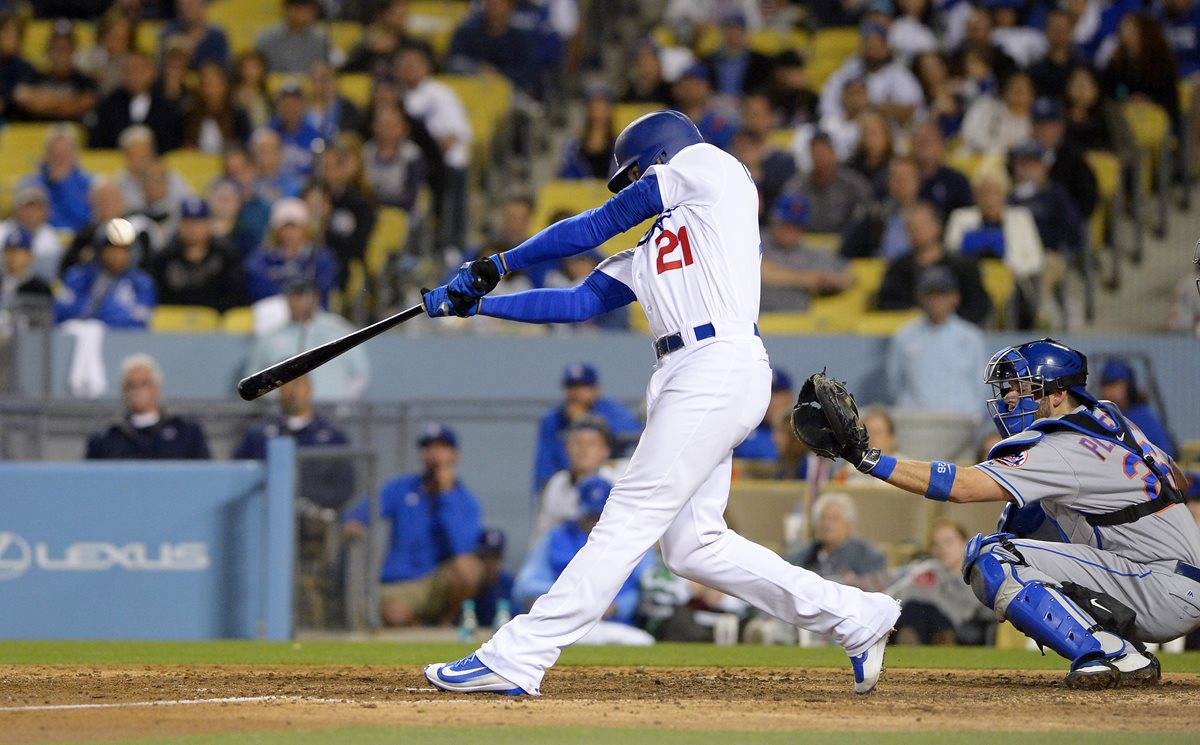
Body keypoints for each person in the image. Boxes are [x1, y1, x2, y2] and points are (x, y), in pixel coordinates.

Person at [420, 109, 901, 696]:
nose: (633, 188)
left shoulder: (709, 167)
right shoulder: (664, 242)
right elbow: (577, 303)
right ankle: (857, 616)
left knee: (626, 516)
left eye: (635, 175)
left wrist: (498, 264)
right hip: (685, 373)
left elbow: (599, 222)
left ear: (658, 154)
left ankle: (519, 654)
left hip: (716, 360)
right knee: (695, 547)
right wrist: (480, 305)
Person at [814, 338, 1198, 688]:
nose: (1011, 397)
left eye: (1023, 387)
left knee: (992, 557)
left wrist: (866, 460)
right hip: (1166, 577)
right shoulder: (1110, 421)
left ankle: (1110, 652)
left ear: (1059, 393)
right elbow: (1178, 481)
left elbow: (960, 488)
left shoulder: (1064, 445)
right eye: (1010, 388)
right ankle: (1125, 652)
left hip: (1161, 589)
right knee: (1017, 526)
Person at [341, 423, 483, 627]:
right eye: (428, 447)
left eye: (441, 447)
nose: (434, 453)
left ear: (454, 455)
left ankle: (448, 622)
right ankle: (418, 627)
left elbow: (461, 547)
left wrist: (445, 495)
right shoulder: (402, 488)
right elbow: (363, 511)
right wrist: (354, 522)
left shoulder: (465, 500)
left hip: (438, 583)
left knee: (469, 567)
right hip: (402, 583)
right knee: (393, 613)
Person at [514, 475, 656, 645]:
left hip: (614, 626)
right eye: (590, 515)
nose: (594, 521)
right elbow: (524, 586)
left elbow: (648, 586)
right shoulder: (557, 537)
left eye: (599, 515)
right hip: (565, 623)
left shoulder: (629, 538)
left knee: (643, 642)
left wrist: (617, 605)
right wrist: (573, 597)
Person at [232, 374, 354, 510]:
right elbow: (237, 476)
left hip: (316, 519)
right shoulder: (258, 434)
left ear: (309, 388)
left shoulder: (332, 437)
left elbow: (344, 487)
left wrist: (309, 503)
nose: (292, 391)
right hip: (266, 513)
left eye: (298, 384)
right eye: (286, 385)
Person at [885, 266, 988, 421]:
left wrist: (973, 418)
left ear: (955, 297)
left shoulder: (971, 338)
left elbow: (982, 386)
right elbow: (893, 385)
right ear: (920, 297)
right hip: (915, 423)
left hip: (960, 423)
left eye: (942, 294)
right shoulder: (904, 336)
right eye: (930, 294)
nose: (936, 301)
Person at [244, 277, 370, 401]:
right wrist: (277, 403)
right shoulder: (270, 337)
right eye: (294, 296)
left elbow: (360, 373)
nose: (299, 302)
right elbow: (254, 379)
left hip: (332, 411)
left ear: (316, 297)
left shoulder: (339, 330)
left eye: (304, 295)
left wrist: (341, 401)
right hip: (282, 414)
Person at [876, 201, 991, 325]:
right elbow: (886, 303)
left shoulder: (963, 266)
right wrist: (914, 314)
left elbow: (979, 306)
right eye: (911, 228)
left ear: (937, 226)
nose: (916, 232)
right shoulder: (898, 268)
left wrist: (947, 319)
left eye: (922, 226)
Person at [532, 362, 641, 493]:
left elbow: (637, 438)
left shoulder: (613, 412)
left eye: (582, 387)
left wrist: (586, 420)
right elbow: (544, 466)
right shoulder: (553, 419)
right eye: (571, 387)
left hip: (609, 484)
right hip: (567, 486)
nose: (575, 393)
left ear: (595, 390)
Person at [887, 519, 993, 644]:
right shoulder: (928, 570)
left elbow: (990, 611)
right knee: (914, 608)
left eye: (949, 542)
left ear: (965, 544)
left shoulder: (978, 576)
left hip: (954, 626)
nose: (942, 548)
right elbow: (896, 594)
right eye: (936, 544)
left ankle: (940, 640)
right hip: (917, 623)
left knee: (921, 611)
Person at [85, 353, 210, 459]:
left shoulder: (186, 431)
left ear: (156, 388)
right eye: (131, 385)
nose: (137, 391)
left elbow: (205, 474)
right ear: (123, 390)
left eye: (144, 384)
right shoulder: (107, 436)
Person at [532, 415, 622, 547]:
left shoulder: (617, 483)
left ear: (606, 450)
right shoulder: (556, 484)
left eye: (591, 443)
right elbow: (543, 536)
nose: (583, 449)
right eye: (577, 442)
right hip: (564, 556)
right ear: (566, 448)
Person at [54, 219, 156, 329]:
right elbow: (60, 311)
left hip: (121, 341)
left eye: (123, 250)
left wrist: (103, 324)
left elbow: (140, 321)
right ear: (100, 250)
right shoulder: (77, 276)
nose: (117, 255)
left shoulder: (142, 283)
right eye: (112, 249)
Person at [147, 197, 245, 311]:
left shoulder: (225, 256)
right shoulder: (164, 259)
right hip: (173, 324)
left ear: (208, 224)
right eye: (188, 223)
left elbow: (236, 297)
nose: (192, 229)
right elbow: (157, 299)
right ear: (180, 226)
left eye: (198, 223)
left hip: (216, 324)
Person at [760, 194, 851, 310]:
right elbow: (754, 271)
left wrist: (832, 281)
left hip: (798, 322)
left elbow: (848, 276)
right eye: (786, 226)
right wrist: (804, 278)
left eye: (796, 227)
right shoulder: (756, 240)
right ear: (773, 221)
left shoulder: (811, 254)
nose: (790, 232)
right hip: (758, 320)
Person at [784, 492, 888, 592]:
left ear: (848, 525)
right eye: (822, 518)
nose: (827, 524)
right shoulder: (803, 554)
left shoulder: (868, 555)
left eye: (835, 518)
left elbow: (872, 594)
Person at [244, 198, 340, 306]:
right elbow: (257, 288)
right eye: (285, 227)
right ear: (276, 230)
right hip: (273, 309)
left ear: (305, 228)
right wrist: (290, 299)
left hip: (311, 309)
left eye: (295, 227)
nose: (290, 233)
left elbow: (324, 288)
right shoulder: (261, 258)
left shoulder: (321, 257)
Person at [89, 50, 182, 153]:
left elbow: (173, 146)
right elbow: (98, 144)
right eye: (130, 71)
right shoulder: (108, 105)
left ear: (152, 73)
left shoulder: (166, 108)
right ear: (122, 75)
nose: (135, 76)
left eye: (140, 70)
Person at [785, 133, 873, 234]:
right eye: (816, 153)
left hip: (846, 242)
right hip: (805, 242)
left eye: (824, 152)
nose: (820, 157)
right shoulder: (797, 184)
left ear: (834, 153)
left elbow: (866, 213)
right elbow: (783, 213)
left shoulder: (854, 184)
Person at [10, 20, 97, 122]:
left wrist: (42, 100)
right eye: (56, 48)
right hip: (36, 135)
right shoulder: (35, 76)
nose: (60, 54)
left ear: (74, 51)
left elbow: (84, 104)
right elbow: (20, 96)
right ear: (48, 51)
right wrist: (69, 101)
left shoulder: (84, 80)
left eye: (65, 48)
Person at [20, 124, 92, 233]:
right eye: (55, 154)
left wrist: (64, 184)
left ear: (75, 155)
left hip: (80, 240)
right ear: (47, 154)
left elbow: (86, 219)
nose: (59, 159)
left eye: (64, 154)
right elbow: (26, 219)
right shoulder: (32, 185)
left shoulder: (89, 184)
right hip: (42, 240)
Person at [1097, 360, 1176, 459]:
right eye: (1106, 385)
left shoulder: (1143, 416)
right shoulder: (1099, 416)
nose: (1110, 390)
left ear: (1129, 387)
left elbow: (1166, 453)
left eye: (1116, 384)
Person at [0, 185, 63, 283]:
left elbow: (47, 276)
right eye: (27, 207)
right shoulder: (3, 230)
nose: (31, 212)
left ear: (45, 212)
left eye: (37, 208)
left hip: (34, 290)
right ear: (16, 209)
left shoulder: (50, 238)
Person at [733, 367, 796, 462]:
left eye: (777, 393)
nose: (770, 400)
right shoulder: (742, 430)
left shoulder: (803, 433)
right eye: (767, 393)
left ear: (790, 397)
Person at [256, 0, 330, 74]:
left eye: (313, 10)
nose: (311, 14)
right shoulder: (267, 39)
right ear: (290, 10)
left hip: (310, 85)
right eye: (305, 10)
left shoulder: (320, 39)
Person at [159, 0, 229, 69]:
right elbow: (161, 71)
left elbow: (224, 72)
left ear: (204, 4)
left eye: (193, 4)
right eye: (185, 5)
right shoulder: (169, 33)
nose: (189, 8)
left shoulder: (217, 37)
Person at [0, 228, 53, 314]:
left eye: (18, 252)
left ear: (30, 255)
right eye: (8, 251)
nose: (12, 257)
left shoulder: (40, 288)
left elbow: (43, 321)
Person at [473, 528, 516, 628]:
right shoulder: (469, 583)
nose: (490, 564)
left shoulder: (507, 582)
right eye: (485, 557)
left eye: (495, 558)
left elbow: (515, 617)